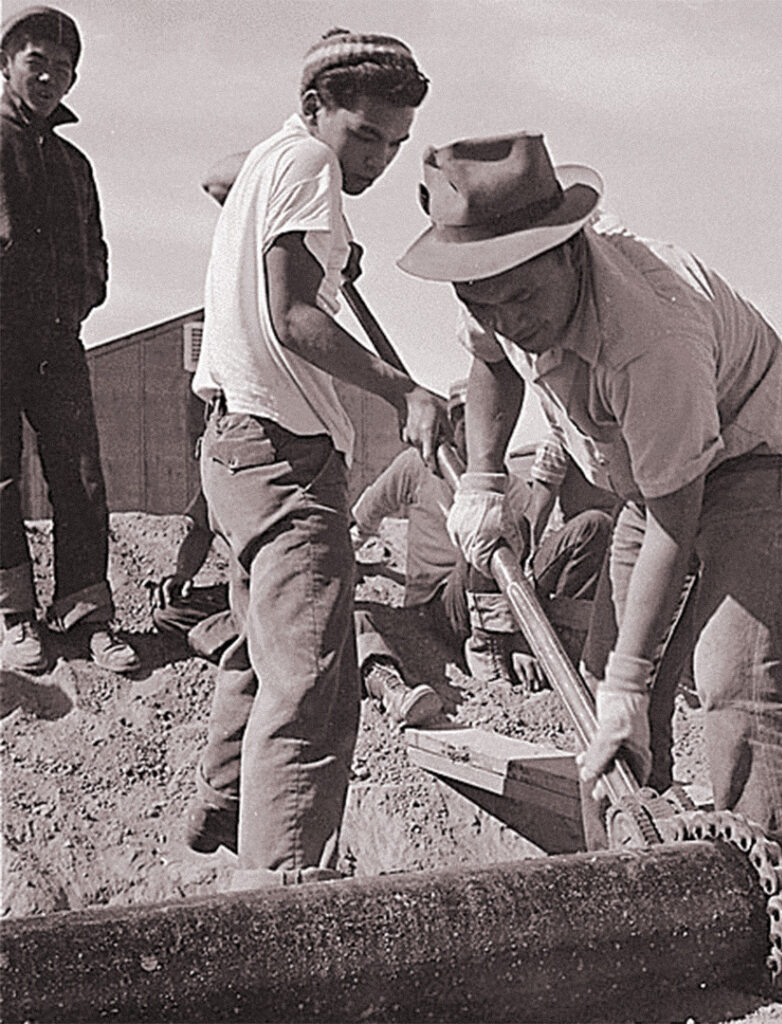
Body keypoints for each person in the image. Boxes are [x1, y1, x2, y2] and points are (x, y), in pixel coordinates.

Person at [398, 133, 782, 830]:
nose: (510, 322)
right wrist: (482, 479)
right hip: (649, 483)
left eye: (521, 299)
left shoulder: (651, 335)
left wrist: (636, 680)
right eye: (484, 304)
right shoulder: (494, 283)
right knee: (600, 695)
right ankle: (639, 882)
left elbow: (674, 517)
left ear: (570, 251)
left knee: (733, 684)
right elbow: (492, 363)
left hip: (757, 466)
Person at [186, 28, 445, 887]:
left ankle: (226, 798)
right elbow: (295, 315)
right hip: (283, 448)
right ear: (314, 109)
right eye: (364, 134)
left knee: (262, 644)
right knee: (317, 679)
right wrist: (403, 391)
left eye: (395, 144)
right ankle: (283, 894)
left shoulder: (273, 160)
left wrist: (332, 248)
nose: (374, 158)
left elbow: (221, 178)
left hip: (231, 446)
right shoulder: (309, 167)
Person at [0, 5, 139, 675]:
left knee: (81, 477)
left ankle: (85, 614)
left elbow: (96, 250)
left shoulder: (74, 163)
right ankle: (13, 614)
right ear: (7, 63)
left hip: (59, 339)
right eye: (37, 61)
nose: (50, 75)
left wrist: (82, 299)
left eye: (62, 67)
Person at [351, 379, 613, 690]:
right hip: (439, 605)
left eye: (480, 419)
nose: (471, 430)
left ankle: (563, 638)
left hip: (496, 593)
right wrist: (342, 565)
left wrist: (522, 636)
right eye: (462, 419)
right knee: (483, 527)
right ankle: (488, 649)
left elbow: (521, 565)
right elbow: (362, 521)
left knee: (594, 525)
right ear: (452, 424)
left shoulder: (513, 488)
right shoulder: (415, 467)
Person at [150, 487, 443, 729]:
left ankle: (388, 686)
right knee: (170, 611)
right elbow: (201, 528)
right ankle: (261, 644)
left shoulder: (298, 472)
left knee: (350, 620)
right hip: (248, 597)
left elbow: (333, 548)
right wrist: (183, 573)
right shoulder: (223, 468)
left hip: (296, 591)